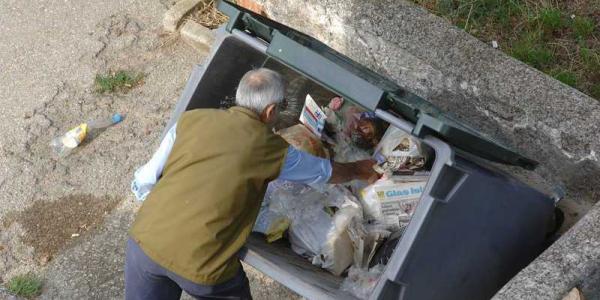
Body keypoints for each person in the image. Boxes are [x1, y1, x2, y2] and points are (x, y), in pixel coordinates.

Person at [125, 68, 378, 300]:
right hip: (202, 264)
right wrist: (361, 169)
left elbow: (144, 179)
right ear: (270, 111)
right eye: (282, 106)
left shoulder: (191, 119)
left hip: (144, 243)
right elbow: (323, 172)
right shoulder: (267, 147)